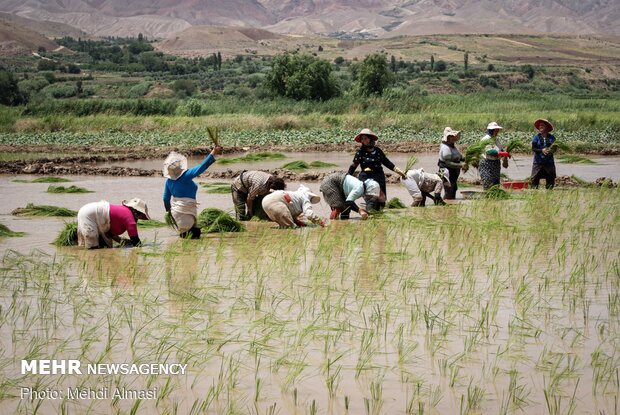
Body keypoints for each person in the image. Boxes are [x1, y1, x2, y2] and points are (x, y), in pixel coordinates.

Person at [163, 147, 222, 239]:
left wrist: (168, 212)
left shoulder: (169, 181)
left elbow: (165, 199)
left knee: (185, 236)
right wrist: (213, 152)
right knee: (193, 237)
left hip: (176, 212)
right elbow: (202, 166)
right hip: (187, 210)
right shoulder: (186, 175)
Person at [348, 128, 406, 211]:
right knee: (372, 199)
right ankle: (369, 215)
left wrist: (398, 170)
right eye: (362, 139)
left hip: (379, 177)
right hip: (367, 178)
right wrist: (348, 176)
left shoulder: (378, 151)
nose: (363, 141)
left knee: (381, 203)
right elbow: (354, 165)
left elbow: (387, 162)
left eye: (365, 138)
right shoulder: (360, 152)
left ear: (370, 139)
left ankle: (377, 217)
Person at [77, 198, 150, 249]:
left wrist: (123, 242)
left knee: (105, 246)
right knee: (93, 248)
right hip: (89, 214)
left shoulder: (122, 211)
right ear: (137, 212)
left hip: (89, 210)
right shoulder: (130, 219)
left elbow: (111, 233)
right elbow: (136, 242)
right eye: (140, 215)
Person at [438, 126, 467, 199]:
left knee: (453, 188)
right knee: (449, 190)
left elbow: (459, 157)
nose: (453, 138)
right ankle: (447, 204)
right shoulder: (445, 148)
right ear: (447, 138)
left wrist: (467, 159)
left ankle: (451, 203)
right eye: (451, 136)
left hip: (453, 172)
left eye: (453, 136)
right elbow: (448, 163)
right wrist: (461, 165)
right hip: (445, 171)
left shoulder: (453, 146)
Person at [478, 122, 509, 190]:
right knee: (488, 182)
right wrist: (502, 153)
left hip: (495, 164)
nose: (497, 131)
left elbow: (500, 149)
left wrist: (505, 155)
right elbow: (489, 151)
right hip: (487, 164)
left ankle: (495, 198)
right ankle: (487, 197)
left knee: (495, 184)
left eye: (497, 130)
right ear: (491, 130)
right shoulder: (486, 139)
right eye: (495, 130)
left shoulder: (496, 139)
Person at [530, 119, 557, 189]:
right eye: (540, 126)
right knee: (534, 180)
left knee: (550, 180)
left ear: (547, 128)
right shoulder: (536, 138)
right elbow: (534, 148)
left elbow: (555, 148)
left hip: (549, 163)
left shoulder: (552, 138)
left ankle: (549, 194)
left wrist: (550, 150)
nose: (540, 127)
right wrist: (542, 150)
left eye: (542, 125)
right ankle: (534, 194)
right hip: (538, 162)